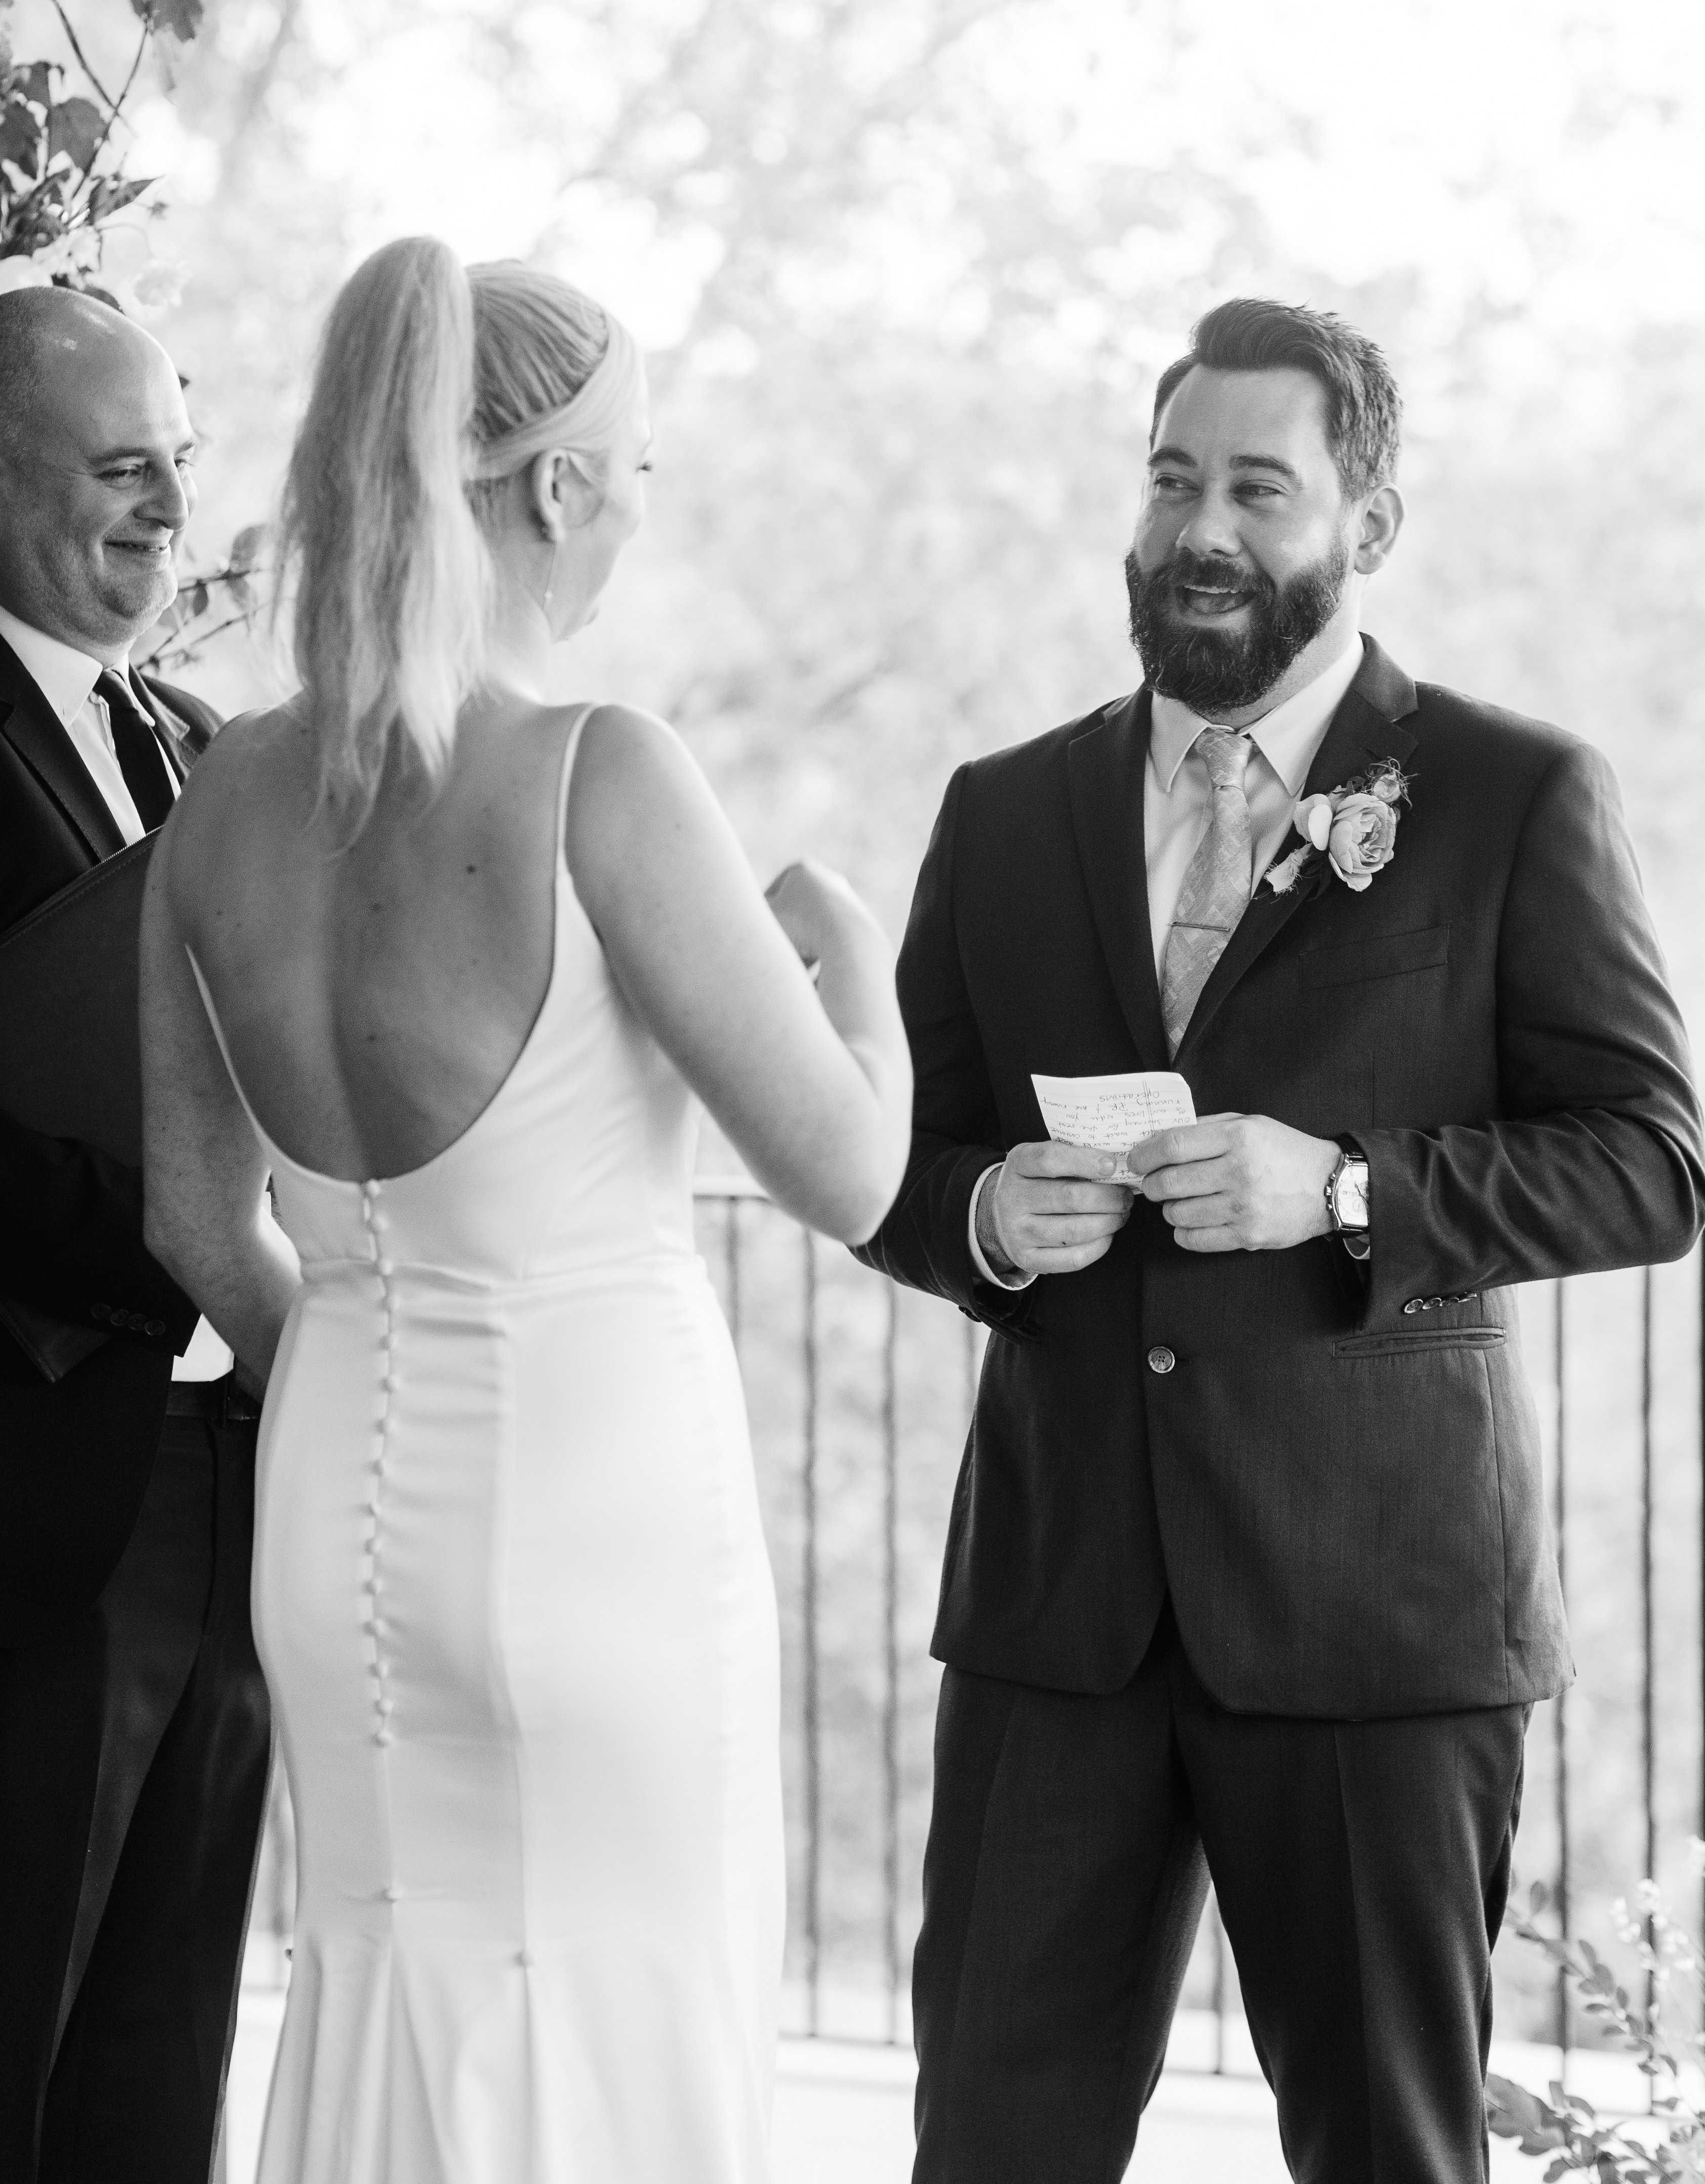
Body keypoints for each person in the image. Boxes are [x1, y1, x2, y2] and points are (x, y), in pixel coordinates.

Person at [855, 296, 1705, 2184]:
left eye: (1257, 487)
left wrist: (1340, 1190)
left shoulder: (1511, 795)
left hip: (1373, 1609)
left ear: (1364, 524)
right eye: (1172, 481)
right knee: (987, 2147)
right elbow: (890, 1155)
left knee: (1387, 2149)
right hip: (1059, 1611)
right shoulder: (1004, 814)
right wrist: (981, 1212)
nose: (1200, 530)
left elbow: (1648, 1163)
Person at [140, 236, 912, 2183]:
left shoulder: (222, 799)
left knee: (381, 1999)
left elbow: (193, 1221)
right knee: (622, 2022)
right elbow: (849, 1171)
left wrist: (364, 1353)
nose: (640, 504)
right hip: (598, 1525)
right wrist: (852, 954)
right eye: (635, 464)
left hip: (333, 1528)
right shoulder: (596, 773)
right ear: (557, 486)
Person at [0, 286, 270, 2183]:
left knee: (168, 2042)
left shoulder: (203, 742)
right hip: (37, 1485)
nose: (170, 508)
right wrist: (188, 1244)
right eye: (121, 469)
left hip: (236, 1473)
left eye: (180, 461)